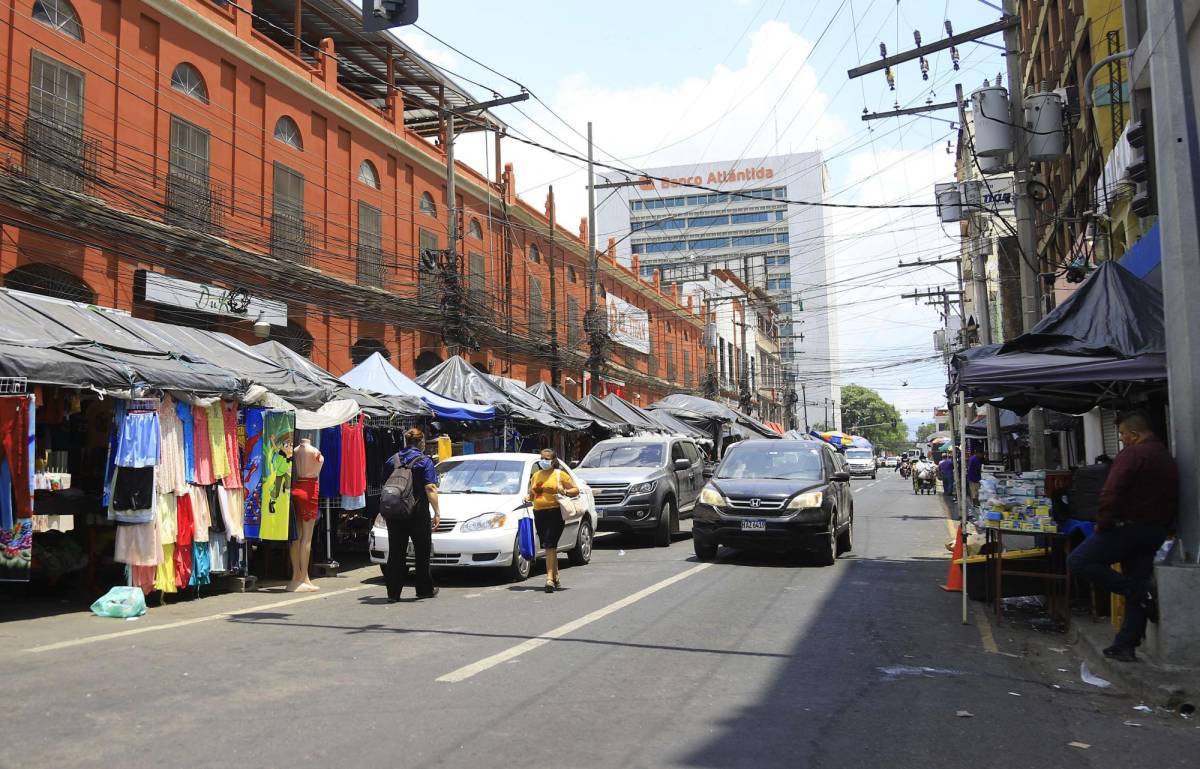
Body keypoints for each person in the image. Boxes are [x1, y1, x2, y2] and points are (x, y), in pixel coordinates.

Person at [1067, 412, 1178, 662]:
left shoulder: (1134, 454)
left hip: (1127, 528)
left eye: (1123, 435)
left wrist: (1103, 523)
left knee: (1078, 561)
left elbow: (1111, 491)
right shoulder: (1164, 456)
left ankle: (1139, 591)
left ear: (1135, 434)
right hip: (1154, 531)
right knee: (1136, 575)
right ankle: (1126, 644)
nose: (1122, 440)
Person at [382, 427, 441, 602]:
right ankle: (424, 590)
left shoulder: (392, 460)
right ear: (421, 442)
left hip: (396, 511)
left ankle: (393, 593)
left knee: (396, 552)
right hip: (418, 511)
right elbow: (430, 488)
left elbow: (384, 484)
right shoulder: (425, 461)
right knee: (422, 552)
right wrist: (437, 512)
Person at [526, 448, 579, 593]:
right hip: (539, 513)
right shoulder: (536, 476)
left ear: (553, 460)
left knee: (550, 544)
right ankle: (556, 577)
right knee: (549, 546)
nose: (544, 461)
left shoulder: (559, 474)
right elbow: (532, 494)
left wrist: (565, 491)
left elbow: (576, 490)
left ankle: (549, 579)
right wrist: (527, 498)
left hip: (555, 512)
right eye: (542, 458)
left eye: (547, 458)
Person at [287, 437, 323, 593]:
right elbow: (319, 466)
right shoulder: (315, 451)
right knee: (307, 538)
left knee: (296, 537)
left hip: (297, 488)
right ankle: (304, 577)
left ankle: (297, 575)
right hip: (309, 490)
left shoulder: (295, 450)